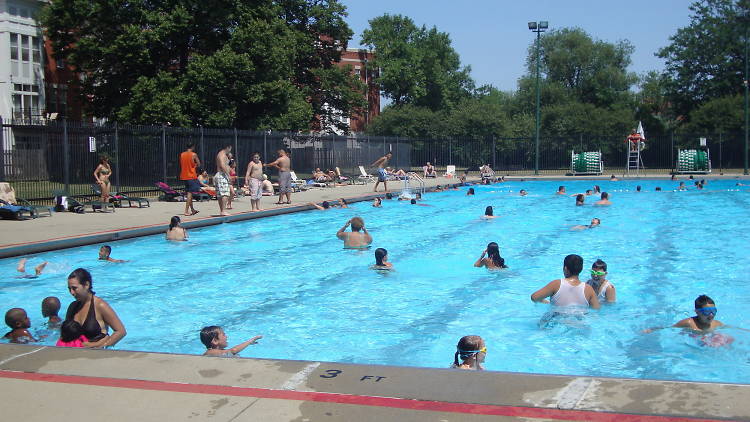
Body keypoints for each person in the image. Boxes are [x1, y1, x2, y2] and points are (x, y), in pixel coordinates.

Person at [65, 268, 127, 348]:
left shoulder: (100, 306)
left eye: (74, 288)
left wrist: (101, 345)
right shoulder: (72, 307)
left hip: (97, 355)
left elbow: (121, 331)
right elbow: (65, 335)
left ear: (86, 285)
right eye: (69, 289)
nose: (72, 293)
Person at [530, 254, 601, 309]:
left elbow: (534, 297)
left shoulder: (556, 284)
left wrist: (549, 303)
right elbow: (596, 309)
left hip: (557, 320)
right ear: (581, 269)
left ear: (565, 268)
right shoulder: (588, 289)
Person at [179, 143, 201, 216]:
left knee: (189, 192)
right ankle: (186, 211)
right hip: (191, 175)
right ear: (193, 147)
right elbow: (199, 164)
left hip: (184, 175)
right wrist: (194, 165)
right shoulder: (194, 154)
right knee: (190, 193)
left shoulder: (182, 154)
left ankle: (192, 209)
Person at [214, 145, 233, 216]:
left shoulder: (224, 154)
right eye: (230, 149)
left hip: (220, 175)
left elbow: (226, 164)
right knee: (225, 194)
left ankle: (222, 210)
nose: (230, 151)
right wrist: (228, 175)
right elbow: (222, 165)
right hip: (222, 175)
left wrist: (229, 158)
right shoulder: (222, 154)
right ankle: (223, 210)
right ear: (228, 147)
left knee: (220, 194)